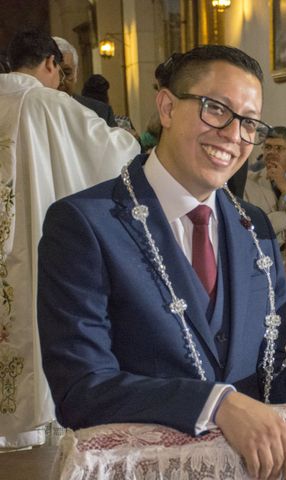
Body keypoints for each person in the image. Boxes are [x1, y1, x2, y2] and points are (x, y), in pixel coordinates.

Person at [37, 45, 286, 480]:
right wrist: (214, 403)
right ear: (166, 106)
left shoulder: (252, 226)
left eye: (249, 123)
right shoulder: (86, 223)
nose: (234, 135)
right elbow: (80, 387)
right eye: (216, 109)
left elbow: (274, 372)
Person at [0, 29, 139, 448]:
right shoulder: (47, 103)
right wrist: (131, 137)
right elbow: (114, 153)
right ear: (50, 64)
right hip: (26, 246)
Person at [53, 36, 117, 127]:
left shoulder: (100, 112)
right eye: (55, 74)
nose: (60, 81)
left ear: (76, 74)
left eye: (67, 73)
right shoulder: (33, 112)